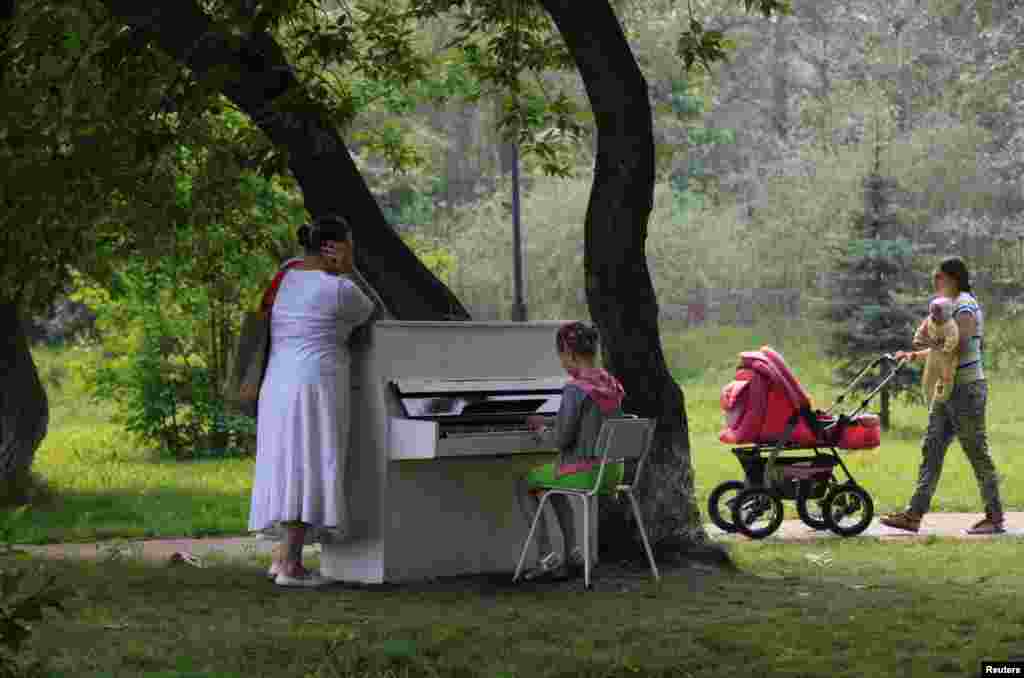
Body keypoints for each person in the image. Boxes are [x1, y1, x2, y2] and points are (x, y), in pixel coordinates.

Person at [249, 215, 376, 587]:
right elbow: (374, 312)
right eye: (349, 246)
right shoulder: (339, 290)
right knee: (309, 467)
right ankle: (292, 566)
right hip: (316, 383)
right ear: (333, 248)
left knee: (286, 464)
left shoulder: (287, 276)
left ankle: (281, 559)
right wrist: (351, 272)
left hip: (278, 383)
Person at [881, 256, 1004, 535]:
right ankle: (913, 515)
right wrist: (914, 354)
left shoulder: (965, 306)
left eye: (938, 278)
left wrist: (929, 340)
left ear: (953, 278)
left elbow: (956, 345)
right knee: (932, 448)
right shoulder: (949, 307)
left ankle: (994, 517)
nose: (934, 283)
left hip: (965, 389)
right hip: (945, 390)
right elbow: (941, 349)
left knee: (976, 452)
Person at [518, 321, 626, 581]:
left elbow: (562, 440)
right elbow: (589, 422)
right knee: (550, 484)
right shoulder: (611, 384)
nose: (562, 363)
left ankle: (546, 557)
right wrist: (550, 421)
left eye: (561, 357)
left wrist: (542, 431)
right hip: (612, 471)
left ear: (569, 353)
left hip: (584, 472)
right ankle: (574, 553)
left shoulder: (574, 389)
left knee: (525, 484)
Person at [919, 296, 959, 408]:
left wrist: (946, 349)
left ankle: (942, 403)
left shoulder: (951, 325)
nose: (934, 315)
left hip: (947, 356)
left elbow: (953, 338)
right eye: (933, 311)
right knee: (928, 380)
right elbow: (922, 329)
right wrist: (919, 338)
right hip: (933, 353)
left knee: (946, 379)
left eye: (937, 312)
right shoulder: (929, 320)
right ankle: (930, 406)